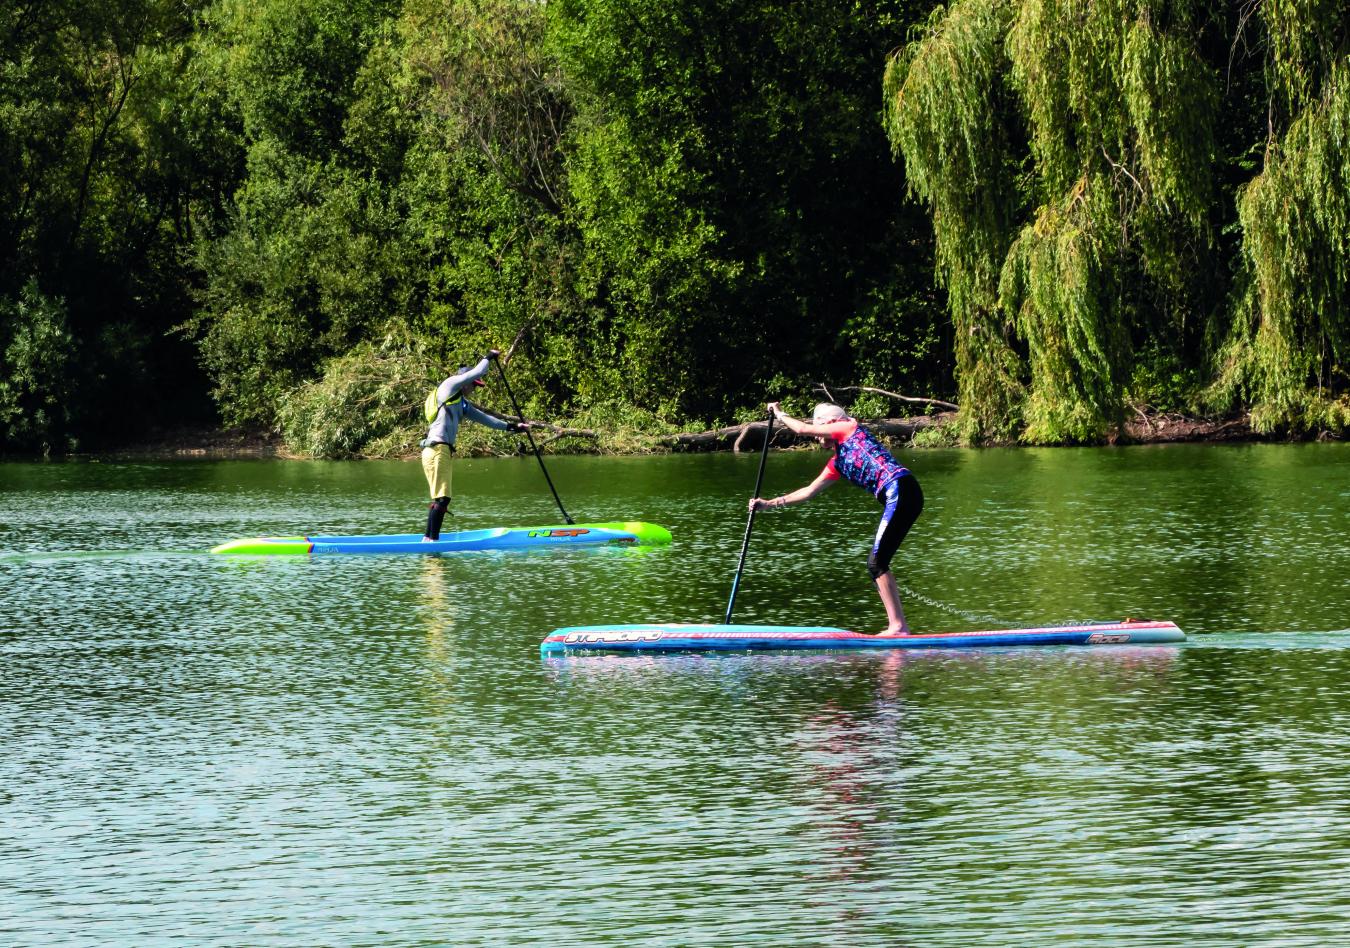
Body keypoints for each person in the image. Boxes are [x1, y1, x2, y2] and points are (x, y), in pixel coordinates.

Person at [749, 401, 924, 635]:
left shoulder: (848, 427)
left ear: (830, 423)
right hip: (903, 495)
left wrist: (779, 414)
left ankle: (898, 626)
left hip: (900, 489)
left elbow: (800, 429)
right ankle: (899, 625)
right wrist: (768, 504)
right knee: (877, 563)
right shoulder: (838, 462)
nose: (817, 436)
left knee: (876, 563)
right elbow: (809, 491)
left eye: (818, 428)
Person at [420, 349, 530, 541]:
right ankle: (431, 541)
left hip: (438, 450)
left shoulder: (461, 403)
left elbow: (486, 420)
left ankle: (428, 539)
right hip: (437, 449)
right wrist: (488, 356)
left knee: (440, 498)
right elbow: (478, 371)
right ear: (464, 381)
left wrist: (513, 427)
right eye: (473, 385)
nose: (474, 388)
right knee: (443, 498)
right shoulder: (449, 385)